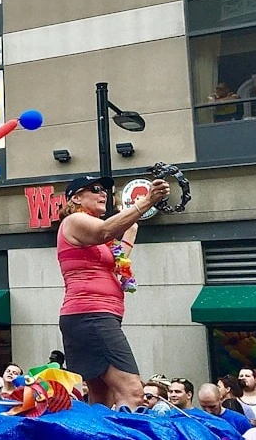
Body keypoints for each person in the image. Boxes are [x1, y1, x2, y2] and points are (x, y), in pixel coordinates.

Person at [56, 174, 170, 409]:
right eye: (95, 189)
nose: (103, 194)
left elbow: (117, 262)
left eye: (104, 190)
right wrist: (146, 201)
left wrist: (132, 225)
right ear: (76, 198)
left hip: (89, 316)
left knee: (102, 399)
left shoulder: (93, 237)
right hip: (92, 315)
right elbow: (106, 230)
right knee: (133, 392)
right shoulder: (74, 220)